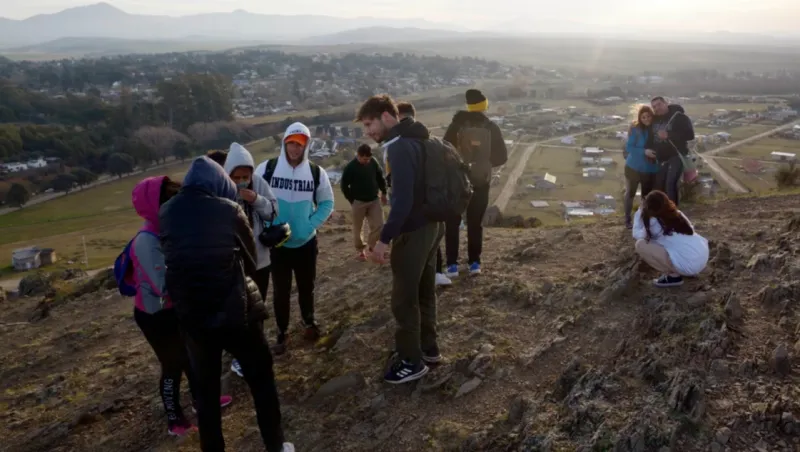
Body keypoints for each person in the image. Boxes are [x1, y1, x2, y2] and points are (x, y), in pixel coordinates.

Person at [159, 156, 293, 452]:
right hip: (236, 313)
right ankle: (275, 444)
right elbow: (251, 260)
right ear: (219, 183)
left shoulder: (166, 212)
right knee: (261, 381)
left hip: (192, 317)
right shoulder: (229, 209)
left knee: (206, 393)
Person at [130, 175, 233, 437]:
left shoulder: (169, 229)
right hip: (155, 314)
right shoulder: (146, 240)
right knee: (172, 364)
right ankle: (174, 419)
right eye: (171, 202)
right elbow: (161, 284)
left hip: (178, 307)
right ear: (157, 206)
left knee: (190, 355)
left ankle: (202, 401)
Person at [355, 94, 443, 384]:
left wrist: (383, 241)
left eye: (370, 124)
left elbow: (402, 202)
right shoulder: (419, 137)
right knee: (424, 291)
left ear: (387, 116)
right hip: (432, 225)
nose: (368, 132)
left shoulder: (399, 148)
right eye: (365, 127)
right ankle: (428, 349)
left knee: (404, 300)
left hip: (414, 230)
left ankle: (410, 361)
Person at [256, 122, 334, 355]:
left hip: (305, 243)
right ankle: (282, 331)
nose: (294, 149)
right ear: (284, 143)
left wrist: (309, 225)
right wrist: (266, 226)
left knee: (306, 287)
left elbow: (327, 203)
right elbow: (254, 199)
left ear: (306, 145)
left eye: (300, 144)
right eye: (291, 143)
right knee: (280, 290)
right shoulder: (267, 169)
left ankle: (309, 322)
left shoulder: (315, 173)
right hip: (277, 244)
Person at [224, 142, 279, 378]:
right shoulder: (222, 189)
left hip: (260, 260)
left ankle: (256, 349)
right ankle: (239, 355)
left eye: (245, 176)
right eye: (236, 177)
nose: (242, 181)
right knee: (237, 309)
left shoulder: (259, 183)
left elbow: (273, 211)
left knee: (257, 307)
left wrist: (256, 198)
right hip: (232, 262)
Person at [442, 88, 508, 277]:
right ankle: (474, 264)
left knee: (452, 222)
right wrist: (485, 164)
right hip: (480, 181)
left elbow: (445, 150)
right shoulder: (491, 127)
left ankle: (452, 265)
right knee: (475, 223)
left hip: (456, 181)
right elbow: (502, 156)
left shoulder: (456, 125)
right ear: (484, 106)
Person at [397, 100, 452, 287]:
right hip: (436, 198)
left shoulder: (401, 144)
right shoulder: (433, 141)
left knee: (416, 242)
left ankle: (422, 275)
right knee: (434, 238)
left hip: (415, 204)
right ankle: (436, 272)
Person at [632, 190, 709, 288]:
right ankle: (685, 267)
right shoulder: (678, 214)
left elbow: (636, 234)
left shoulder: (654, 223)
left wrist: (639, 212)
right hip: (702, 258)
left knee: (640, 245)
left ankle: (673, 276)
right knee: (662, 241)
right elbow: (691, 229)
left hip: (689, 265)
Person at [340, 143, 387, 261]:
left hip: (374, 200)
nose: (367, 161)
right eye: (365, 159)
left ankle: (371, 245)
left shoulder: (373, 162)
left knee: (379, 225)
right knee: (358, 228)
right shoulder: (350, 167)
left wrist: (384, 192)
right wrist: (352, 200)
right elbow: (344, 185)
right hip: (358, 202)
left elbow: (380, 177)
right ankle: (361, 251)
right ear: (358, 156)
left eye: (369, 159)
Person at [649, 96, 695, 206]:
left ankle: (673, 212)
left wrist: (669, 135)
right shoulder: (654, 119)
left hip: (676, 155)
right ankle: (663, 211)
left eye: (659, 104)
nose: (657, 108)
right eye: (654, 106)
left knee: (671, 183)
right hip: (660, 158)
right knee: (659, 185)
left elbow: (690, 135)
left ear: (666, 103)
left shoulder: (679, 117)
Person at [623, 105, 660, 229]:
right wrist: (644, 151)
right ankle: (627, 219)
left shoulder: (657, 129)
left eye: (648, 116)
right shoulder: (636, 129)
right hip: (633, 167)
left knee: (646, 197)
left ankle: (643, 220)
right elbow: (629, 147)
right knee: (630, 194)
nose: (646, 119)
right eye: (643, 117)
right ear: (640, 118)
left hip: (650, 170)